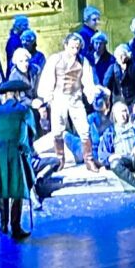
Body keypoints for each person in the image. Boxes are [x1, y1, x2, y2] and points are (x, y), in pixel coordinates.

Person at [0, 74, 40, 242]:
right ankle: (15, 226)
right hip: (16, 152)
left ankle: (3, 224)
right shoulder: (24, 110)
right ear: (17, 94)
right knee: (17, 187)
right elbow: (31, 131)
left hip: (1, 151)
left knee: (3, 186)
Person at [44, 31, 99, 172]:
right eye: (72, 47)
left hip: (75, 97)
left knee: (84, 129)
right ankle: (59, 160)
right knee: (57, 130)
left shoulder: (82, 61)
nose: (75, 50)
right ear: (66, 45)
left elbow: (87, 80)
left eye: (78, 47)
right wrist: (47, 96)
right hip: (59, 97)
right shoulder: (55, 59)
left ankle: (89, 160)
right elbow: (48, 78)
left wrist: (90, 94)